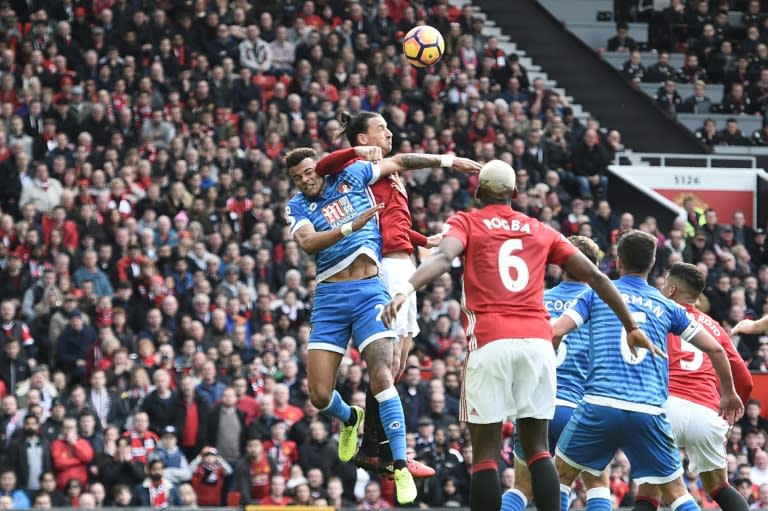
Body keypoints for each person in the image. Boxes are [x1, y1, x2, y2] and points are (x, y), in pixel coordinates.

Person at [382, 160, 653, 511]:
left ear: (477, 191)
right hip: (538, 346)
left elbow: (443, 256)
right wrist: (631, 325)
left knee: (485, 457)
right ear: (514, 193)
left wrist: (405, 288)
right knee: (539, 450)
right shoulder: (540, 229)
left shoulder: (466, 221)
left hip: (491, 342)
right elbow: (598, 278)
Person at [283, 145, 475, 503]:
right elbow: (307, 242)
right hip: (329, 299)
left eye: (309, 172)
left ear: (321, 167)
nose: (305, 180)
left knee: (383, 374)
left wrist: (447, 161)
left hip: (370, 291)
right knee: (319, 395)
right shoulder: (295, 205)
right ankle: (351, 418)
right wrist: (349, 227)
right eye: (297, 178)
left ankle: (399, 464)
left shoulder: (352, 176)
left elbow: (400, 161)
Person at [551, 230, 744, 511]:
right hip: (650, 411)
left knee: (561, 477)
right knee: (677, 492)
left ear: (618, 262)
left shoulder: (596, 294)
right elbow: (716, 350)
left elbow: (556, 332)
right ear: (652, 265)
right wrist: (728, 394)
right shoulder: (667, 305)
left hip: (600, 404)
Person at [632, 262, 753, 511]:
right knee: (720, 488)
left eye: (665, 283)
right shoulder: (715, 328)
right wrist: (729, 419)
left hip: (667, 407)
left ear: (672, 290)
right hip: (707, 414)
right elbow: (746, 380)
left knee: (649, 493)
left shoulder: (657, 317)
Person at [504, 236, 612, 511]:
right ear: (594, 266)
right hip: (577, 406)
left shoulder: (537, 300)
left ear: (560, 265)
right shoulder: (600, 305)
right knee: (597, 483)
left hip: (534, 405)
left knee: (522, 488)